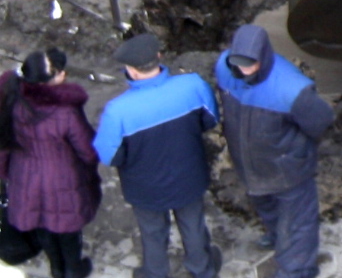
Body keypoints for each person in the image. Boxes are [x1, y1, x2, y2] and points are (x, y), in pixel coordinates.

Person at [95, 34, 220, 278]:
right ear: (159, 57)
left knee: (152, 232)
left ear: (132, 70)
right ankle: (202, 269)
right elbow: (210, 120)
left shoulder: (117, 111)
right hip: (189, 177)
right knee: (194, 225)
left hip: (145, 188)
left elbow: (109, 156)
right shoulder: (193, 85)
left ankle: (155, 273)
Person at [215, 25, 334, 278]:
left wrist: (296, 149)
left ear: (263, 56)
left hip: (288, 168)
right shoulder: (224, 68)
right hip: (251, 165)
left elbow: (320, 120)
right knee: (267, 205)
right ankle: (276, 235)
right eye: (239, 64)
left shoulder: (292, 88)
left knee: (298, 223)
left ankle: (297, 270)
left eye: (250, 65)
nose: (244, 71)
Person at [0, 50, 99, 278]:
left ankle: (56, 268)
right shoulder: (65, 111)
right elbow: (87, 149)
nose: (63, 74)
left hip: (24, 175)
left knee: (41, 224)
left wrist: (5, 172)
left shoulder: (13, 100)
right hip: (62, 177)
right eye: (57, 72)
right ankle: (73, 269)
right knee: (68, 229)